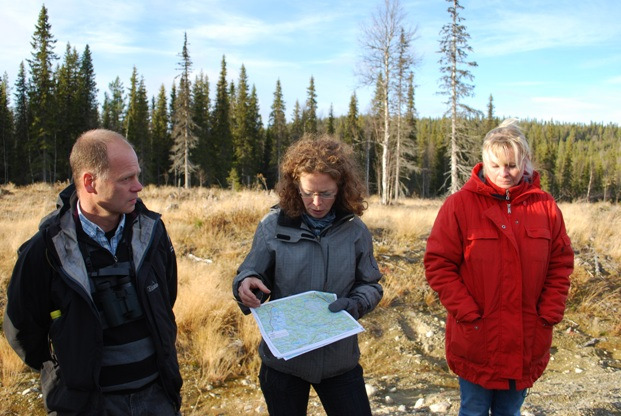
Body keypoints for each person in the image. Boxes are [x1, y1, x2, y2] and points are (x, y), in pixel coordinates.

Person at [4, 129, 182, 415]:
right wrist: (68, 376)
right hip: (87, 406)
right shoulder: (46, 251)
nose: (139, 187)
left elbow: (166, 296)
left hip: (157, 397)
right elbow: (22, 331)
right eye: (126, 179)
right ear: (90, 182)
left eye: (138, 175)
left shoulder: (152, 233)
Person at [423, 119, 574, 416]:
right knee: (474, 410)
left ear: (525, 162)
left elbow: (561, 263)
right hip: (477, 335)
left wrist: (550, 311)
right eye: (496, 165)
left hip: (527, 336)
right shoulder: (458, 206)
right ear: (484, 162)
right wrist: (465, 310)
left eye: (512, 165)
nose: (504, 173)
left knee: (509, 412)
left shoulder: (545, 207)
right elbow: (438, 264)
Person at [233, 134, 383, 416]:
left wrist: (356, 304)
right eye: (307, 192)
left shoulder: (355, 230)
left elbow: (371, 285)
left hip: (339, 361)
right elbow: (250, 273)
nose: (316, 202)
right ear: (294, 186)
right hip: (284, 363)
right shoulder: (272, 226)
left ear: (341, 188)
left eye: (326, 193)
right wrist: (245, 286)